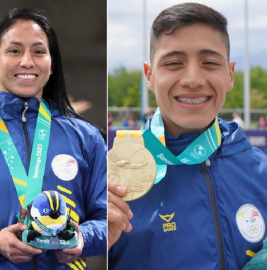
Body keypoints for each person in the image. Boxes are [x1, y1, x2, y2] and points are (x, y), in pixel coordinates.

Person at [108, 3, 267, 269]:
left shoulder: (260, 172)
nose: (193, 79)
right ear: (149, 75)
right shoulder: (110, 179)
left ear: (230, 75)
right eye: (173, 63)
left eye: (210, 63)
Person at [0, 8, 107, 269]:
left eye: (39, 51)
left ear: (52, 63)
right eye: (14, 50)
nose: (27, 62)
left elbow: (107, 218)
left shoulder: (87, 137)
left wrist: (83, 238)